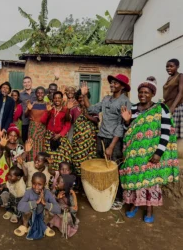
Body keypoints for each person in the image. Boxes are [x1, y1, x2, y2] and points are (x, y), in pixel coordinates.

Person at [120, 80, 179, 223]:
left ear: (153, 94)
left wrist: (159, 152)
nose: (143, 95)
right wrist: (127, 121)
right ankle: (135, 204)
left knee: (150, 181)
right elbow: (130, 131)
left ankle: (149, 208)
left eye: (146, 92)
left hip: (151, 154)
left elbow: (166, 132)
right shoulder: (133, 109)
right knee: (135, 179)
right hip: (134, 154)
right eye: (140, 92)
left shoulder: (161, 109)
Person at [81, 74, 132, 204]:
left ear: (122, 86)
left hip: (113, 140)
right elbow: (92, 108)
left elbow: (121, 126)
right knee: (101, 166)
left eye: (115, 83)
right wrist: (84, 95)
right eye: (112, 83)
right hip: (101, 137)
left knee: (114, 168)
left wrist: (111, 146)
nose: (112, 85)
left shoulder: (124, 102)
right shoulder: (106, 99)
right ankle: (103, 193)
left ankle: (117, 197)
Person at [14, 172, 61, 239]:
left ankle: (44, 225)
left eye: (39, 184)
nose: (36, 187)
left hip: (42, 217)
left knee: (51, 211)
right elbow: (20, 207)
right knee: (26, 210)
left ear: (45, 184)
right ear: (31, 182)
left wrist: (45, 203)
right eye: (34, 184)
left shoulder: (47, 193)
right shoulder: (28, 192)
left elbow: (58, 209)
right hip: (30, 218)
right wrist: (35, 202)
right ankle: (25, 226)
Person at [41, 91, 73, 170]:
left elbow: (67, 124)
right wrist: (47, 111)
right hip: (50, 136)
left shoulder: (66, 110)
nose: (57, 100)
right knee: (49, 157)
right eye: (55, 98)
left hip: (61, 137)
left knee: (61, 158)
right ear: (53, 99)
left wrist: (60, 134)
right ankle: (51, 176)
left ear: (62, 99)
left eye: (59, 98)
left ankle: (60, 177)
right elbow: (43, 121)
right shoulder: (50, 109)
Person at [71, 89, 99, 176]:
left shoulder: (92, 108)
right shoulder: (74, 110)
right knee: (77, 160)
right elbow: (70, 121)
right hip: (78, 140)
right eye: (79, 98)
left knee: (90, 160)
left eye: (83, 97)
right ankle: (79, 181)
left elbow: (96, 120)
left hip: (90, 141)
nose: (81, 99)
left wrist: (86, 115)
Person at [25, 86, 47, 161]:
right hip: (32, 128)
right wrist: (28, 109)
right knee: (31, 146)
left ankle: (40, 165)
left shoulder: (47, 104)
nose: (40, 94)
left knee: (41, 146)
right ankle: (31, 164)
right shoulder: (31, 103)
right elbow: (25, 115)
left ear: (44, 94)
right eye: (38, 93)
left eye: (42, 93)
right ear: (36, 94)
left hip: (42, 128)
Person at [163, 58, 183, 138]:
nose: (168, 68)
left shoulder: (180, 76)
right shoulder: (169, 78)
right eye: (167, 66)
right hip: (168, 107)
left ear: (177, 66)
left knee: (176, 133)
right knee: (169, 132)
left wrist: (173, 107)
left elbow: (181, 92)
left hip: (177, 108)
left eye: (171, 66)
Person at [20, 76, 37, 143]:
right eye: (25, 82)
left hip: (35, 121)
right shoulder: (20, 95)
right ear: (23, 84)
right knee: (25, 140)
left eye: (28, 82)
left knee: (34, 140)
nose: (27, 84)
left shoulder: (37, 92)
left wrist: (55, 79)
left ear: (31, 83)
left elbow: (48, 90)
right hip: (25, 121)